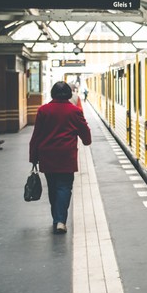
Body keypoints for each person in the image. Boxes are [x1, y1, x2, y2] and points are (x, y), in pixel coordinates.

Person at [29, 81, 92, 234]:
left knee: (52, 187)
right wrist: (86, 140)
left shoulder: (43, 110)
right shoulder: (74, 111)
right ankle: (60, 221)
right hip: (66, 156)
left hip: (47, 155)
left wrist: (33, 157)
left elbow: (36, 135)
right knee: (64, 187)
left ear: (52, 93)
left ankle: (56, 218)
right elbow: (85, 133)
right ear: (69, 94)